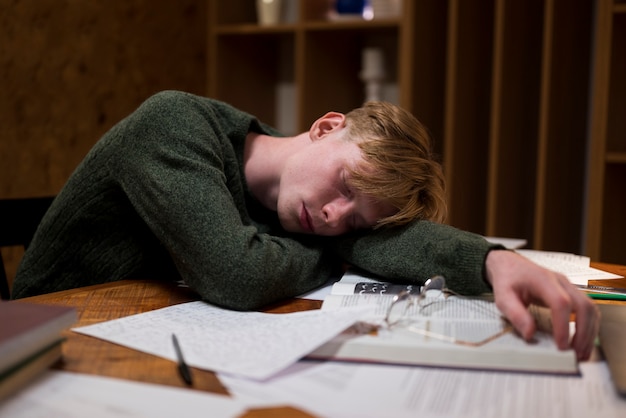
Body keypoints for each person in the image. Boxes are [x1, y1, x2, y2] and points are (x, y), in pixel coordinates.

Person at [11, 90, 598, 360]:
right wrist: (340, 253)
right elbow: (236, 273)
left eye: (354, 220)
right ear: (325, 126)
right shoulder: (174, 125)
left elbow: (384, 240)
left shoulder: (300, 211)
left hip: (137, 341)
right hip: (43, 351)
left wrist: (494, 261)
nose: (333, 217)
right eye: (346, 185)